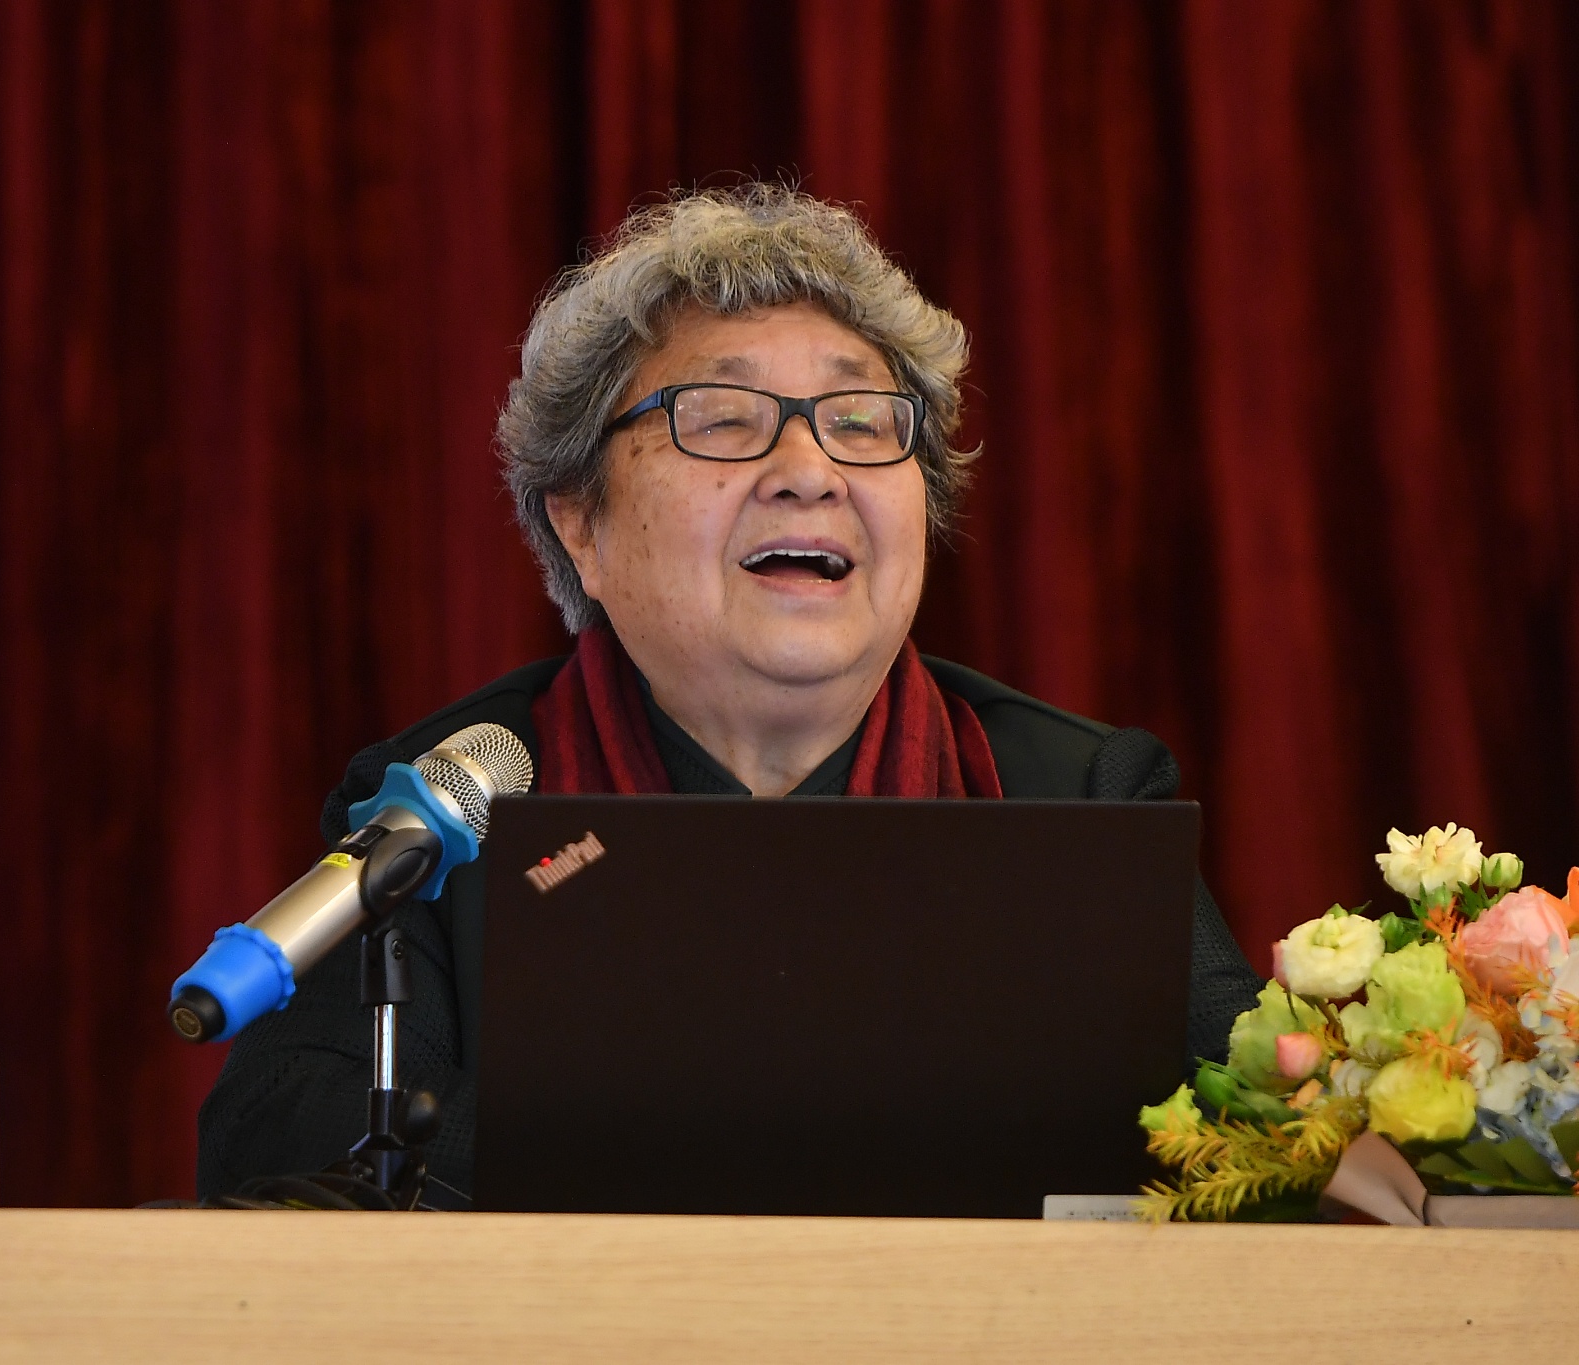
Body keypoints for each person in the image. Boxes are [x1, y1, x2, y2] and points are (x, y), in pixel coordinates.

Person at [195, 185, 1260, 1204]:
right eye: (721, 417)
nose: (809, 468)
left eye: (859, 421)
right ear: (580, 522)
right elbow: (281, 1124)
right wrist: (714, 1169)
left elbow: (1262, 1127)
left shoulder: (1076, 792)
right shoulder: (453, 803)